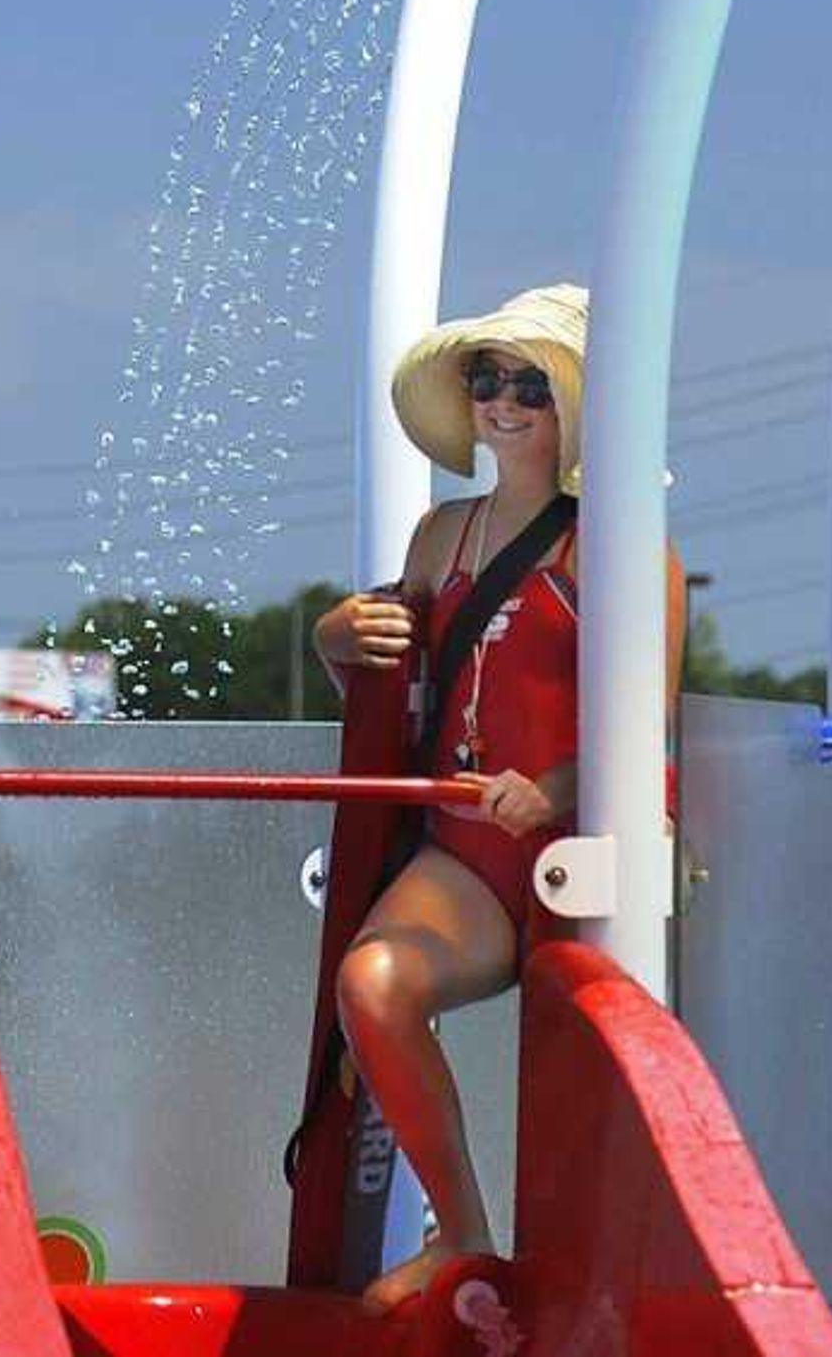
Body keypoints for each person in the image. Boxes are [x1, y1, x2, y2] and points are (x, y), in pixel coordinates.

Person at [309, 283, 684, 1311]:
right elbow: (396, 694)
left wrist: (555, 787)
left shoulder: (622, 549)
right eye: (487, 378)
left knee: (586, 1060)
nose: (503, 402)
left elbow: (645, 723)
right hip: (465, 845)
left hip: (589, 849)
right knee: (373, 985)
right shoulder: (444, 537)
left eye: (532, 383)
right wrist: (336, 639)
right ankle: (462, 1235)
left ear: (573, 407)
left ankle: (599, 1265)